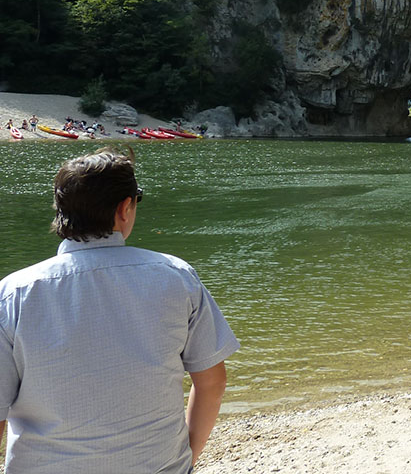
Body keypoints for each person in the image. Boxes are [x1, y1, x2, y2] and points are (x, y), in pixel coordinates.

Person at [0, 147, 239, 473]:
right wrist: (187, 458)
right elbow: (212, 382)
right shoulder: (176, 277)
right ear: (125, 207)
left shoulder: (14, 294)